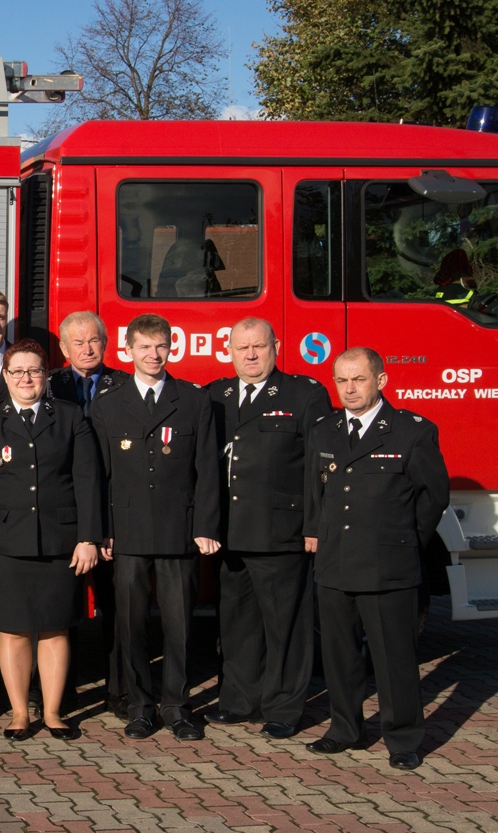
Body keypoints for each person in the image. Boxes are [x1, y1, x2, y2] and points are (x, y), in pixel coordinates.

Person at [304, 348, 449, 771]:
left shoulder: (411, 432)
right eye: (342, 381)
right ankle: (345, 729)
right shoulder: (325, 430)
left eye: (359, 380)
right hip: (335, 563)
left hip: (389, 566)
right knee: (339, 655)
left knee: (394, 658)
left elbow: (433, 497)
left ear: (381, 382)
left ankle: (403, 739)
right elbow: (317, 491)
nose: (349, 389)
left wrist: (405, 543)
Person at [0, 339, 104, 741]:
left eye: (35, 371)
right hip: (7, 542)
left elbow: (88, 481)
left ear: (47, 375)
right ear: (5, 376)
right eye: (18, 371)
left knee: (56, 628)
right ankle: (21, 713)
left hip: (61, 542)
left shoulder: (71, 417)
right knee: (14, 629)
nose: (26, 379)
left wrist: (88, 537)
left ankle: (55, 712)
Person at [89, 314, 221, 742]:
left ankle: (177, 706)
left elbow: (207, 471)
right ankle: (140, 706)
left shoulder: (193, 400)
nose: (153, 354)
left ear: (171, 348)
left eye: (160, 345)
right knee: (131, 624)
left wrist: (204, 525)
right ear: (127, 350)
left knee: (180, 624)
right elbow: (99, 475)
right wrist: (101, 530)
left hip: (177, 529)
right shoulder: (107, 404)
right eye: (144, 346)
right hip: (125, 532)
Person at [204, 318, 332, 740]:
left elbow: (319, 466)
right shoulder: (216, 396)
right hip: (230, 532)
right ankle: (239, 700)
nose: (252, 355)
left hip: (281, 531)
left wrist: (314, 526)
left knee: (286, 626)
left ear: (276, 346)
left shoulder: (304, 394)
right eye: (243, 349)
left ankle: (284, 707)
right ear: (230, 351)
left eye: (259, 347)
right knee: (237, 623)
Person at [47, 310, 126, 719]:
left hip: (112, 512)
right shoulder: (47, 386)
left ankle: (120, 690)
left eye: (94, 340)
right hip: (63, 511)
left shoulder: (125, 385)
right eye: (77, 342)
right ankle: (66, 690)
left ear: (107, 343)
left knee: (118, 607)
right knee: (64, 607)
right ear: (63, 348)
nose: (87, 348)